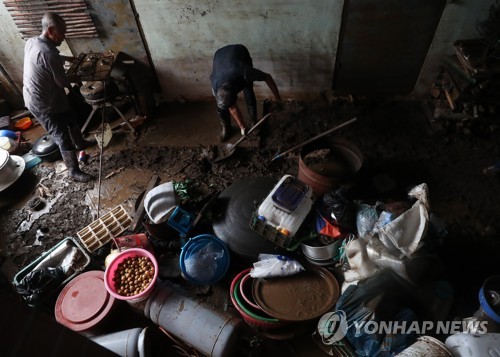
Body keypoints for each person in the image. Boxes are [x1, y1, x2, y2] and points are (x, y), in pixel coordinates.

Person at [23, 12, 95, 182]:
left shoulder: (32, 41)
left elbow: (49, 58)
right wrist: (84, 73)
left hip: (49, 96)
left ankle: (81, 143)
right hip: (42, 103)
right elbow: (63, 82)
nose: (64, 37)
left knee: (71, 117)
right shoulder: (49, 53)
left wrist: (67, 58)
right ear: (50, 30)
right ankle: (73, 171)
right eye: (62, 33)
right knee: (61, 136)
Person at [210, 44, 282, 142]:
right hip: (220, 56)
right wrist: (242, 127)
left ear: (236, 95)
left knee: (248, 91)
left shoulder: (245, 73)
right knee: (221, 106)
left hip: (240, 53)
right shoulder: (215, 84)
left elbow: (267, 77)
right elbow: (232, 107)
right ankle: (227, 128)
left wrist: (278, 100)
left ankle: (253, 121)